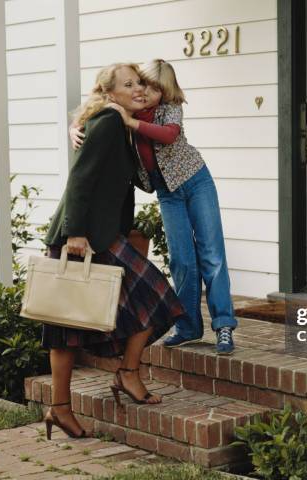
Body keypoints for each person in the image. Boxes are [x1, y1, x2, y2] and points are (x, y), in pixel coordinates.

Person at [42, 63, 185, 440]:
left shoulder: (119, 125)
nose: (138, 89)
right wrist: (74, 233)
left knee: (154, 300)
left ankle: (126, 372)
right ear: (109, 93)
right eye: (129, 84)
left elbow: (139, 179)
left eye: (140, 83)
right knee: (66, 324)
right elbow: (81, 179)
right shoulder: (106, 122)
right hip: (82, 237)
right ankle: (61, 407)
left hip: (103, 235)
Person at [71, 60, 237, 355]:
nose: (147, 92)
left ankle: (224, 326)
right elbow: (93, 114)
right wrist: (73, 128)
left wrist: (130, 122)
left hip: (196, 182)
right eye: (144, 84)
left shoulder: (168, 109)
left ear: (167, 91)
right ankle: (188, 327)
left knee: (211, 254)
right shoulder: (125, 110)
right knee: (182, 260)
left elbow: (169, 135)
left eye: (157, 88)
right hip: (167, 192)